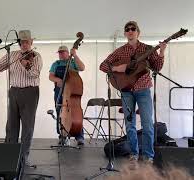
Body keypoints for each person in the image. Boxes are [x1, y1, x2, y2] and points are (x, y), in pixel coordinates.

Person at [99, 21, 167, 164]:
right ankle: (133, 154)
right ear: (125, 33)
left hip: (143, 89)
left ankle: (148, 156)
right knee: (130, 124)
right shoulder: (120, 51)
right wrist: (118, 68)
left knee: (147, 123)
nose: (130, 31)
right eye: (127, 29)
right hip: (126, 90)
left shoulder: (147, 49)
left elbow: (157, 67)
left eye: (133, 29)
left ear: (138, 32)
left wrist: (161, 51)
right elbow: (103, 65)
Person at [0, 30, 43, 167]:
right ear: (19, 43)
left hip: (30, 92)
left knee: (27, 125)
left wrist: (26, 65)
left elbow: (35, 74)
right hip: (14, 91)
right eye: (22, 42)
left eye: (27, 42)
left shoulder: (36, 56)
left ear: (31, 42)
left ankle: (23, 156)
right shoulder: (12, 55)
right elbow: (0, 64)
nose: (24, 44)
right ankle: (9, 153)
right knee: (11, 124)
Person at [49, 45, 85, 145]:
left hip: (72, 91)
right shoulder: (55, 64)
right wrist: (58, 80)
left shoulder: (73, 62)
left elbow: (82, 68)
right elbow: (51, 76)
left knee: (76, 112)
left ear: (68, 53)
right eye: (59, 53)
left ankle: (79, 135)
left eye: (62, 52)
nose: (60, 54)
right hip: (59, 91)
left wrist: (75, 56)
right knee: (59, 111)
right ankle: (62, 135)